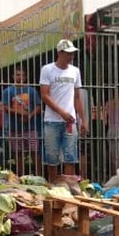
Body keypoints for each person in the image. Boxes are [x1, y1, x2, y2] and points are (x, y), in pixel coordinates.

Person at [39, 38, 86, 181]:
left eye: (72, 53)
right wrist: (62, 112)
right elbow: (44, 95)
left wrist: (83, 120)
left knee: (70, 156)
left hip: (70, 121)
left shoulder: (75, 71)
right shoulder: (47, 69)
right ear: (59, 53)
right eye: (68, 53)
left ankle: (69, 187)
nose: (71, 56)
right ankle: (53, 186)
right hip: (52, 120)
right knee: (52, 157)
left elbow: (77, 97)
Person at [1, 67, 41, 175]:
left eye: (22, 75)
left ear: (26, 76)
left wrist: (30, 115)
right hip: (14, 127)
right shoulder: (8, 91)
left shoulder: (31, 90)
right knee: (18, 153)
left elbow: (38, 106)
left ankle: (39, 175)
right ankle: (21, 177)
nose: (20, 77)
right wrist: (19, 112)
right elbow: (4, 107)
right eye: (18, 75)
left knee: (35, 152)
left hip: (31, 127)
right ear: (13, 76)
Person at [102, 85, 119, 170]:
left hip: (112, 130)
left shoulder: (108, 103)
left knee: (114, 155)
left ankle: (116, 173)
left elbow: (104, 120)